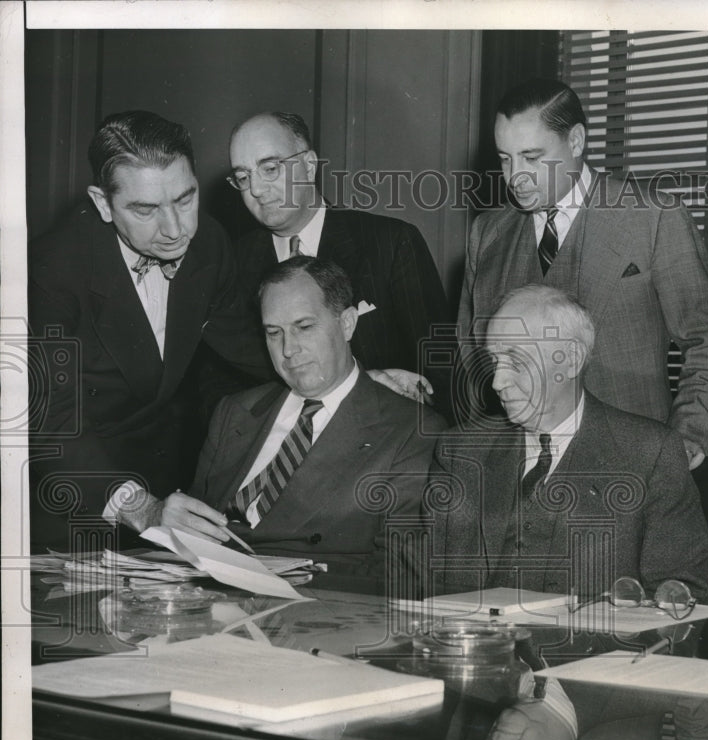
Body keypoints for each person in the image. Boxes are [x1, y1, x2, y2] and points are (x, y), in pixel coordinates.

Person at [110, 257, 447, 593]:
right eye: (274, 333)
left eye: (304, 327)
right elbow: (194, 535)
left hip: (315, 615)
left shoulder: (411, 430)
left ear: (347, 323)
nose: (288, 349)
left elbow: (400, 576)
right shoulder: (235, 411)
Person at [458, 78, 708, 469]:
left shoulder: (653, 218)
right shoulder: (487, 235)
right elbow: (473, 356)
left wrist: (689, 438)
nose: (515, 177)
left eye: (532, 157)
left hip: (633, 465)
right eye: (505, 159)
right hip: (519, 468)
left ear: (575, 141)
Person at [28, 110, 269, 553]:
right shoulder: (51, 272)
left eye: (185, 198)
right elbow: (49, 427)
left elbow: (251, 345)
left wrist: (355, 377)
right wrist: (143, 509)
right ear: (102, 203)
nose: (176, 230)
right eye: (145, 209)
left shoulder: (209, 242)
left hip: (164, 494)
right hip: (65, 502)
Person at [431, 284, 708, 601]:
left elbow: (679, 593)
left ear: (571, 360)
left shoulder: (650, 453)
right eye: (494, 361)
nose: (497, 381)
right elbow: (424, 579)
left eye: (516, 361)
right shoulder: (460, 452)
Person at [228, 111, 455, 417]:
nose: (255, 189)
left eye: (269, 168)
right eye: (243, 177)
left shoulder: (390, 243)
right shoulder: (232, 264)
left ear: (309, 166)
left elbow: (442, 369)